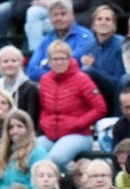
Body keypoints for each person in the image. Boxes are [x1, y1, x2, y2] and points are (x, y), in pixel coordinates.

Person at [37, 40, 108, 170]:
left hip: (79, 133)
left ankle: (68, 182)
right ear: (49, 61)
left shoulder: (82, 79)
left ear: (69, 59)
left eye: (63, 58)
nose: (59, 62)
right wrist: (44, 122)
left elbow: (100, 108)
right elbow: (43, 108)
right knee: (32, 153)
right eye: (55, 59)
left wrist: (79, 123)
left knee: (56, 157)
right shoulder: (45, 80)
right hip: (50, 133)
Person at [24, 0, 93, 81]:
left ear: (72, 15)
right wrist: (54, 72)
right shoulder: (46, 40)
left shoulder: (85, 37)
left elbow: (71, 64)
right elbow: (32, 70)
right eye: (55, 15)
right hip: (50, 87)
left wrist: (46, 65)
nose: (59, 18)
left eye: (63, 14)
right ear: (50, 18)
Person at [0, 110, 47, 189]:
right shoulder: (4, 153)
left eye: (20, 126)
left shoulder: (37, 153)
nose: (15, 131)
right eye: (11, 127)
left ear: (28, 129)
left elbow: (40, 188)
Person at [0, 46, 41, 130]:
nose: (10, 64)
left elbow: (31, 118)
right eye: (5, 61)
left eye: (14, 61)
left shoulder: (30, 88)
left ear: (20, 63)